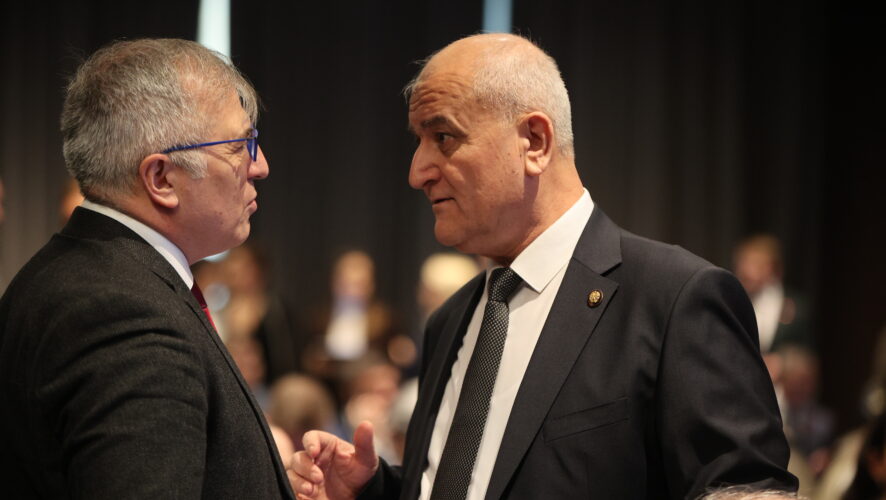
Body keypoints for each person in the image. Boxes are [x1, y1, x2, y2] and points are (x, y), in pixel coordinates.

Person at [289, 33, 796, 499]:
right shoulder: (449, 321)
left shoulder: (675, 299)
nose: (417, 171)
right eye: (418, 141)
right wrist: (372, 490)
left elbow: (746, 490)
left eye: (443, 137)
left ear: (534, 141)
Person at [0, 39, 293, 498]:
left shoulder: (75, 272)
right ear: (161, 179)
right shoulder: (124, 315)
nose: (261, 167)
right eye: (240, 146)